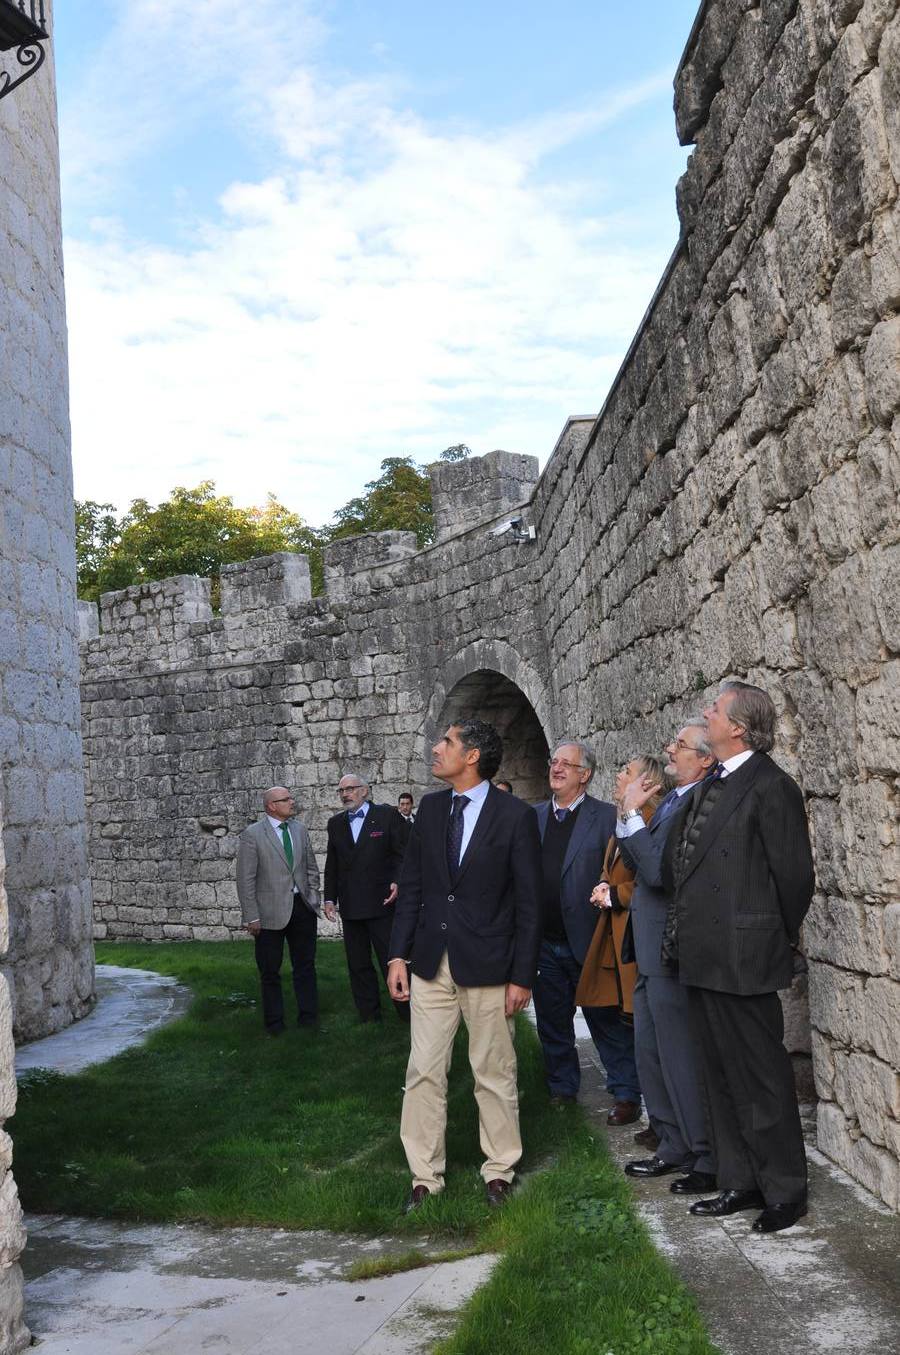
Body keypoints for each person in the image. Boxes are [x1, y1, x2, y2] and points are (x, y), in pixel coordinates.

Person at [662, 682, 814, 1233]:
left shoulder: (772, 786)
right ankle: (741, 1180)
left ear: (739, 728)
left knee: (762, 1079)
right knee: (720, 1076)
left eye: (715, 708)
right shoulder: (712, 783)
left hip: (745, 958)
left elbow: (794, 879)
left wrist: (765, 934)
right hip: (703, 957)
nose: (706, 712)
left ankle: (785, 1190)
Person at [387, 719, 542, 1209]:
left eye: (447, 742)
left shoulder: (515, 816)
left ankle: (499, 1168)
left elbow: (530, 903)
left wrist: (522, 975)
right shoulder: (430, 811)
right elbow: (412, 887)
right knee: (423, 1071)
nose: (436, 748)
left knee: (493, 1069)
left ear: (472, 755)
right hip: (431, 964)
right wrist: (397, 954)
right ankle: (423, 1177)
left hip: (491, 965)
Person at [613, 727, 718, 1193]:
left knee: (677, 1053)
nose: (669, 750)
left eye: (679, 745)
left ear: (705, 760)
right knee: (650, 1051)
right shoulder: (678, 798)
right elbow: (639, 859)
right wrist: (629, 814)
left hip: (670, 947)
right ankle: (672, 1142)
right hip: (649, 943)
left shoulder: (698, 802)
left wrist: (632, 811)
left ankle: (702, 1152)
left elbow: (655, 869)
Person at [532, 742, 642, 1124]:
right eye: (554, 762)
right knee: (551, 1022)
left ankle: (626, 1092)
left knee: (605, 1020)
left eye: (567, 764)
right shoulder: (535, 817)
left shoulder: (605, 816)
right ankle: (562, 1089)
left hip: (591, 940)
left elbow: (625, 870)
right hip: (545, 942)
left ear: (585, 774)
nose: (557, 768)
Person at [236, 787, 322, 1035]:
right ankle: (274, 1024)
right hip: (268, 914)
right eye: (285, 799)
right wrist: (251, 915)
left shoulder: (299, 829)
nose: (291, 802)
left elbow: (311, 868)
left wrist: (313, 896)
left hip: (302, 908)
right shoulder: (253, 835)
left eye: (290, 798)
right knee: (270, 971)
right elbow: (245, 879)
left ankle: (309, 1018)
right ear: (271, 806)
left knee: (305, 966)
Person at [324, 774, 407, 1023]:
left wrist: (398, 881)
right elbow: (333, 864)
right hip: (351, 906)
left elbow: (402, 854)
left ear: (365, 791)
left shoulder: (386, 815)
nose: (345, 794)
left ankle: (408, 1012)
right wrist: (330, 899)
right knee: (358, 963)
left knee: (391, 960)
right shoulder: (335, 823)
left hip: (382, 903)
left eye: (350, 789)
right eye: (341, 790)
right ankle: (369, 1016)